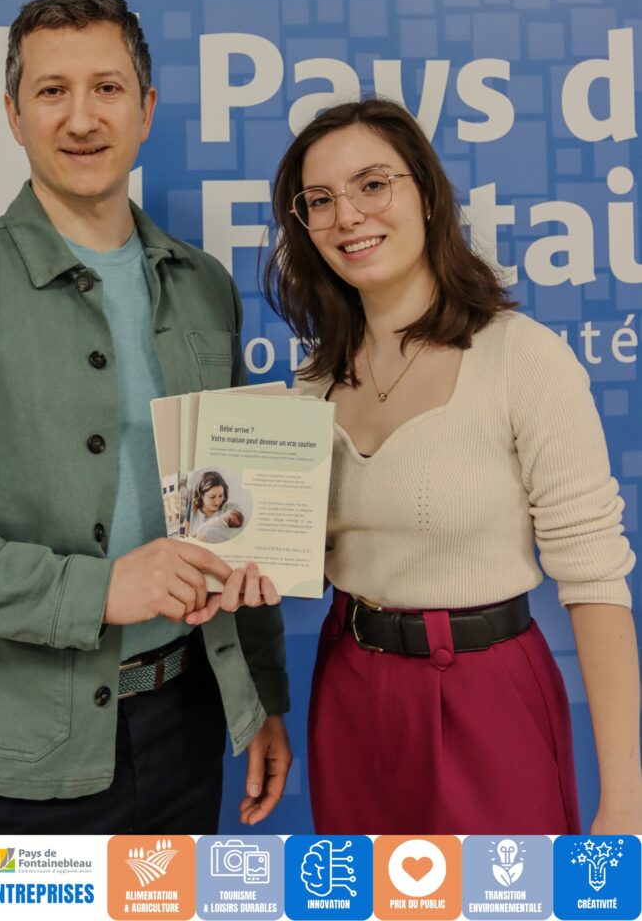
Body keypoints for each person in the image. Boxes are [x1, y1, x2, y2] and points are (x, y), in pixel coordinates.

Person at [0, 0, 290, 835]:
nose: (82, 118)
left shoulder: (204, 286)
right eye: (52, 91)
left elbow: (235, 515)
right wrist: (95, 590)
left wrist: (260, 696)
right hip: (12, 756)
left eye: (107, 88)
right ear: (13, 115)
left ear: (146, 109)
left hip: (188, 723)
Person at [264, 96, 641, 835]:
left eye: (373, 184)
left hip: (487, 697)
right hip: (349, 694)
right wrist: (240, 562)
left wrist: (624, 804)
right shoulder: (313, 384)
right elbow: (297, 559)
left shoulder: (520, 358)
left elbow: (596, 582)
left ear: (429, 197)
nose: (348, 215)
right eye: (321, 200)